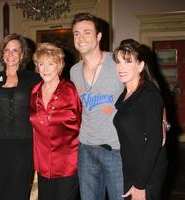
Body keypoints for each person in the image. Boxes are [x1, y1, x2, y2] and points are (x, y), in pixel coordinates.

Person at [69, 12, 125, 200]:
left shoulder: (118, 62)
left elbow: (147, 90)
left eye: (86, 32)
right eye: (76, 33)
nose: (81, 38)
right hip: (86, 149)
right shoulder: (74, 71)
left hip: (116, 149)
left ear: (99, 36)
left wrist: (162, 121)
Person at [0, 33, 40, 200]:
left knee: (19, 188)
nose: (10, 54)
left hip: (23, 144)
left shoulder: (34, 79)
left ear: (22, 54)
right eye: (7, 50)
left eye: (15, 50)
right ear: (2, 54)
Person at [113, 39, 168, 200]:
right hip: (132, 166)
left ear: (140, 66)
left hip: (147, 172)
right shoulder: (127, 93)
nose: (121, 67)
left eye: (128, 61)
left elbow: (154, 141)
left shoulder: (149, 94)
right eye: (119, 62)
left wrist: (140, 184)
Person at [29, 42, 81, 200]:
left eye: (50, 64)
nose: (45, 69)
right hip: (43, 163)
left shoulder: (71, 90)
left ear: (59, 65)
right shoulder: (35, 91)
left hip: (68, 162)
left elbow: (82, 122)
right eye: (41, 64)